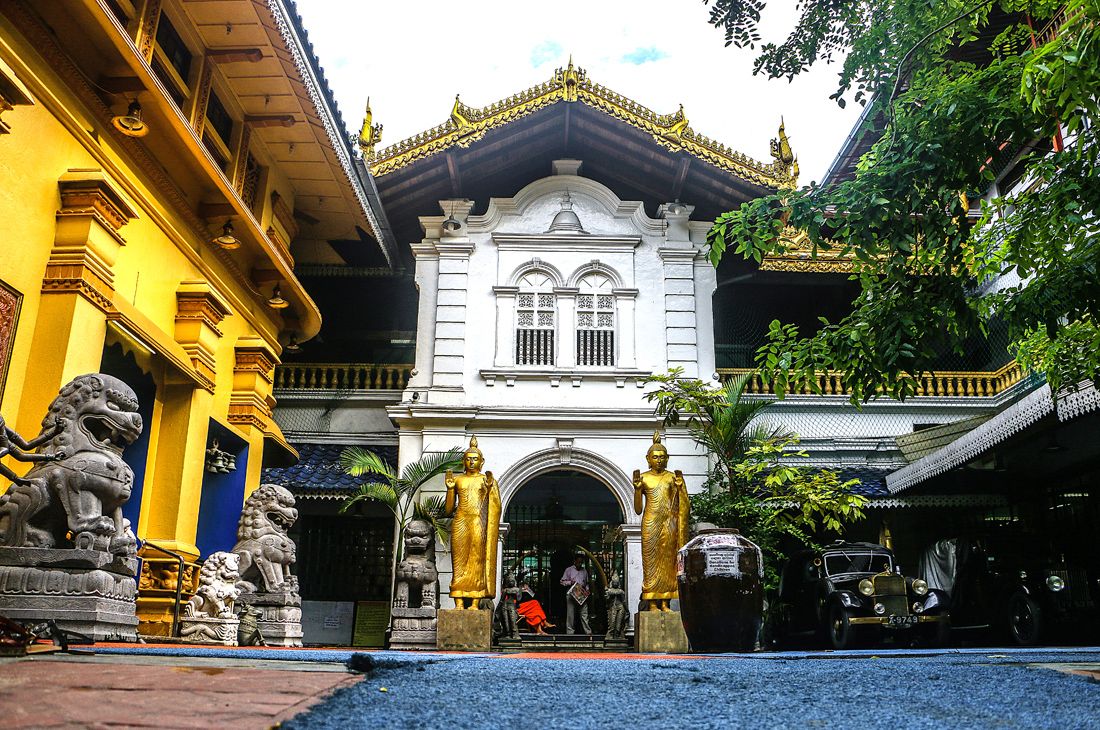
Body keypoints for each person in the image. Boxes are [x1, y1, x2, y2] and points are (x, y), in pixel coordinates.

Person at [633, 432, 690, 612]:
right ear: (648, 459)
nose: (659, 460)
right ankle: (651, 603)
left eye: (662, 457)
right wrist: (637, 490)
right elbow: (638, 509)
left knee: (668, 561)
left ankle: (665, 602)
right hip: (651, 523)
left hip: (669, 524)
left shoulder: (673, 477)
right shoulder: (643, 478)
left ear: (667, 458)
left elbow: (684, 504)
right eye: (655, 457)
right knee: (651, 563)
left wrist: (680, 489)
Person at [444, 436, 501, 609]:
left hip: (478, 522)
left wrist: (490, 489)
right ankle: (459, 601)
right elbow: (448, 510)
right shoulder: (458, 480)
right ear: (463, 461)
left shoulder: (486, 480)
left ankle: (475, 602)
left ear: (482, 462)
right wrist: (450, 490)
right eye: (468, 459)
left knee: (477, 560)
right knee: (459, 563)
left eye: (475, 459)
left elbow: (495, 506)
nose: (471, 462)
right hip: (461, 521)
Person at [560, 554, 591, 634]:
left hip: (581, 594)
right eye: (578, 562)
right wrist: (570, 582)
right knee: (570, 614)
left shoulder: (584, 571)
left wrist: (587, 590)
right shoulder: (569, 570)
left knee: (584, 613)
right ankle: (570, 633)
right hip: (571, 594)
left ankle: (588, 632)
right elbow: (562, 582)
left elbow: (586, 583)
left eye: (581, 562)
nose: (580, 564)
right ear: (575, 561)